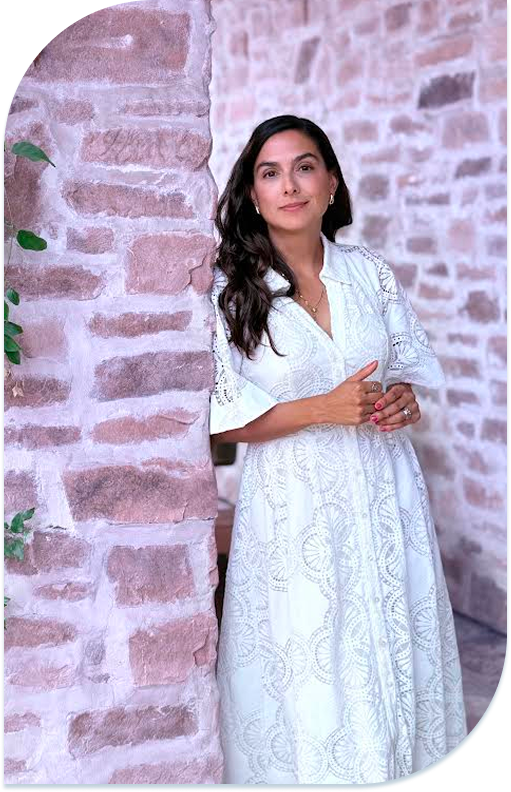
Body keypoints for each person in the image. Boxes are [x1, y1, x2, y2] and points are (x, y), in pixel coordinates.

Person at [208, 114, 467, 784]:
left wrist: (402, 399)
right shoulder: (230, 292)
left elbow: (401, 374)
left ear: (330, 182)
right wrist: (321, 409)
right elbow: (219, 421)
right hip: (293, 504)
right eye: (270, 173)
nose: (289, 186)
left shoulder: (370, 273)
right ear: (252, 194)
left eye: (304, 167)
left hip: (385, 491)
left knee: (397, 644)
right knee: (310, 655)